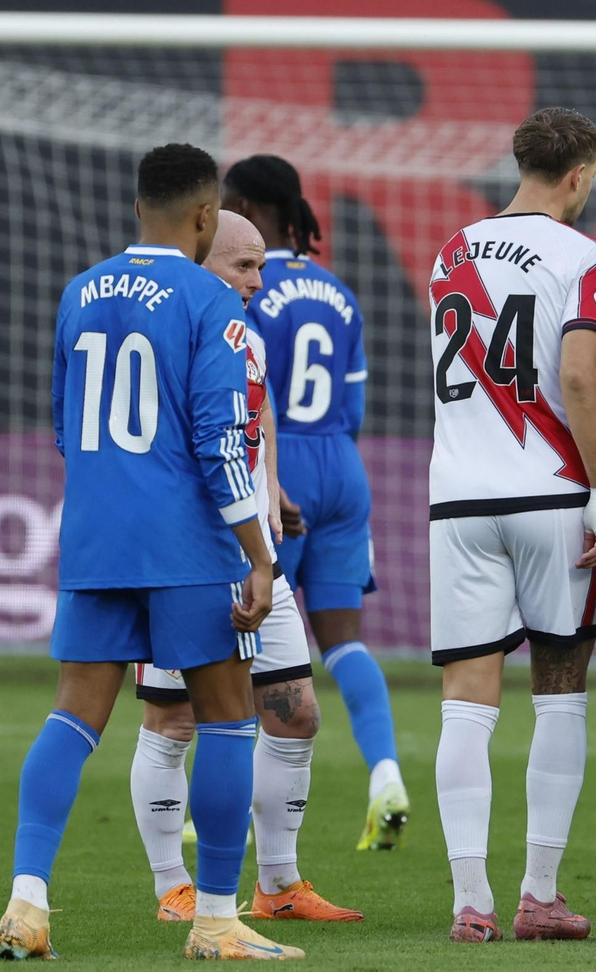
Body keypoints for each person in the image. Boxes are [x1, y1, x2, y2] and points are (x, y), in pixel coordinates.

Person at [0, 143, 302, 960]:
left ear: (140, 208)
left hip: (95, 540)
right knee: (229, 721)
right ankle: (213, 919)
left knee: (72, 716)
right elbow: (219, 443)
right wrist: (260, 557)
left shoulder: (78, 292)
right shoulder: (210, 302)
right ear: (206, 216)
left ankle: (27, 903)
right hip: (190, 547)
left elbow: (65, 428)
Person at [131, 211, 362, 924]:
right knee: (173, 723)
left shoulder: (247, 336)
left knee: (295, 715)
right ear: (203, 262)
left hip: (254, 549)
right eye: (244, 267)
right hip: (187, 559)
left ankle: (279, 886)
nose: (259, 282)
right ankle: (173, 884)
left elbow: (253, 425)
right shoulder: (174, 334)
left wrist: (274, 492)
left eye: (262, 266)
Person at [429, 107, 596, 944]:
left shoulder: (452, 251)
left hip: (458, 497)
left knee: (466, 704)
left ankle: (472, 902)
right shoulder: (581, 256)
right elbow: (580, 376)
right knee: (561, 692)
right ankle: (539, 894)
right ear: (579, 175)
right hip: (550, 494)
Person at [224, 154, 409, 852]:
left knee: (248, 641)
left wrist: (270, 480)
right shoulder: (338, 291)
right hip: (343, 464)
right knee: (344, 640)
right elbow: (354, 405)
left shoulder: (245, 288)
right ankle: (386, 773)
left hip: (283, 465)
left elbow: (248, 395)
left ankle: (231, 809)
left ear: (242, 204)